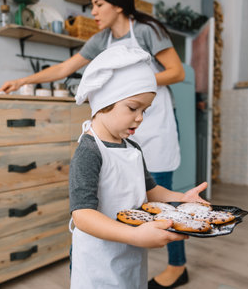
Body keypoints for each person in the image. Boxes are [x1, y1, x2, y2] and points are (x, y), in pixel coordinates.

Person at [0, 0, 187, 287]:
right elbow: (64, 69)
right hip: (102, 263)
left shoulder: (148, 31)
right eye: (92, 5)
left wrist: (136, 89)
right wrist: (23, 81)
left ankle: (177, 266)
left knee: (152, 202)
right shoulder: (101, 42)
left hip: (155, 128)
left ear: (118, 4)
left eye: (98, 4)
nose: (93, 12)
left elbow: (176, 71)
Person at [69, 44, 207, 289]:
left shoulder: (133, 148)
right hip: (98, 262)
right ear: (104, 102)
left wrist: (181, 199)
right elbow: (82, 216)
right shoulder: (89, 152)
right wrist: (134, 235)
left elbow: (151, 191)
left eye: (145, 110)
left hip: (131, 254)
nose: (140, 117)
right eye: (133, 108)